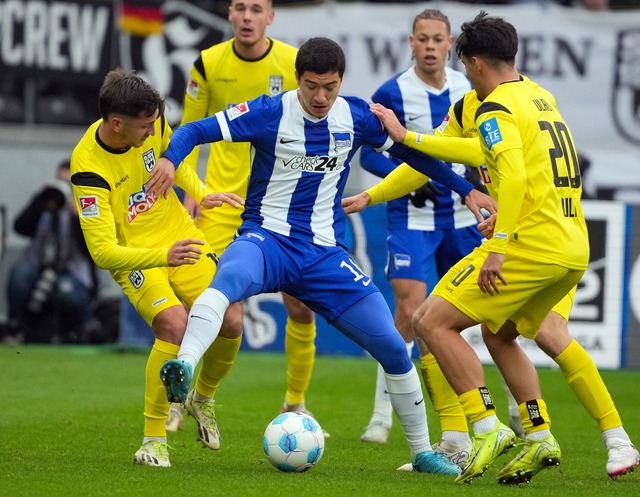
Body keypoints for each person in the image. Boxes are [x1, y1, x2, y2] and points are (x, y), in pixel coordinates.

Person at [154, 36, 496, 474]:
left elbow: (415, 155)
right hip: (267, 240)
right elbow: (195, 129)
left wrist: (467, 190)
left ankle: (421, 452)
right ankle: (183, 367)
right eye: (312, 86)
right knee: (227, 284)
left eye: (329, 87)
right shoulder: (268, 112)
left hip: (323, 256)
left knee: (394, 346)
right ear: (297, 79)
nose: (320, 97)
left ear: (341, 82)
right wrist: (170, 159)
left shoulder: (355, 116)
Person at [347, 77, 640, 479]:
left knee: (432, 321)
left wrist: (501, 237)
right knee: (500, 334)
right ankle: (548, 437)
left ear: (471, 61)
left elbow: (491, 160)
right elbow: (434, 160)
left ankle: (482, 430)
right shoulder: (529, 97)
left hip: (530, 241)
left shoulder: (495, 109)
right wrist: (374, 195)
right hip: (569, 238)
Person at [70, 68, 243, 467]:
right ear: (117, 124)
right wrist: (162, 257)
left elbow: (170, 163)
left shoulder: (151, 119)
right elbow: (102, 252)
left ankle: (203, 398)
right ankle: (153, 440)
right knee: (174, 325)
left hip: (181, 236)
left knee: (232, 319)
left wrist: (201, 192)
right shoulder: (88, 168)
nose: (153, 132)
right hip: (138, 256)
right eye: (145, 127)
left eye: (155, 124)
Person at [167, 0, 323, 437]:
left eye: (257, 8)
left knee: (301, 306)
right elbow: (187, 136)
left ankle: (296, 403)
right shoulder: (208, 63)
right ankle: (181, 400)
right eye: (240, 7)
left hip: (280, 208)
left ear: (270, 16)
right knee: (204, 307)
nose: (248, 16)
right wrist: (190, 195)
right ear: (230, 15)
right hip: (221, 207)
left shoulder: (294, 62)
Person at [358, 9, 480, 465]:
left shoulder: (469, 88)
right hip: (411, 218)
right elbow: (369, 155)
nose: (430, 46)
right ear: (410, 42)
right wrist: (404, 173)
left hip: (464, 220)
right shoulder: (391, 92)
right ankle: (381, 416)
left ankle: (504, 411)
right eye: (422, 39)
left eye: (438, 39)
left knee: (484, 317)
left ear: (450, 44)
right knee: (410, 312)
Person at [5, 159, 99, 344]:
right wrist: (38, 201)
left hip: (71, 271)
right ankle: (16, 327)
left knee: (67, 293)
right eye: (59, 181)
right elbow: (20, 227)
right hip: (37, 265)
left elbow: (92, 250)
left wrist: (79, 216)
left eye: (68, 184)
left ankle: (77, 331)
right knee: (19, 276)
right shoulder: (44, 205)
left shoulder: (85, 207)